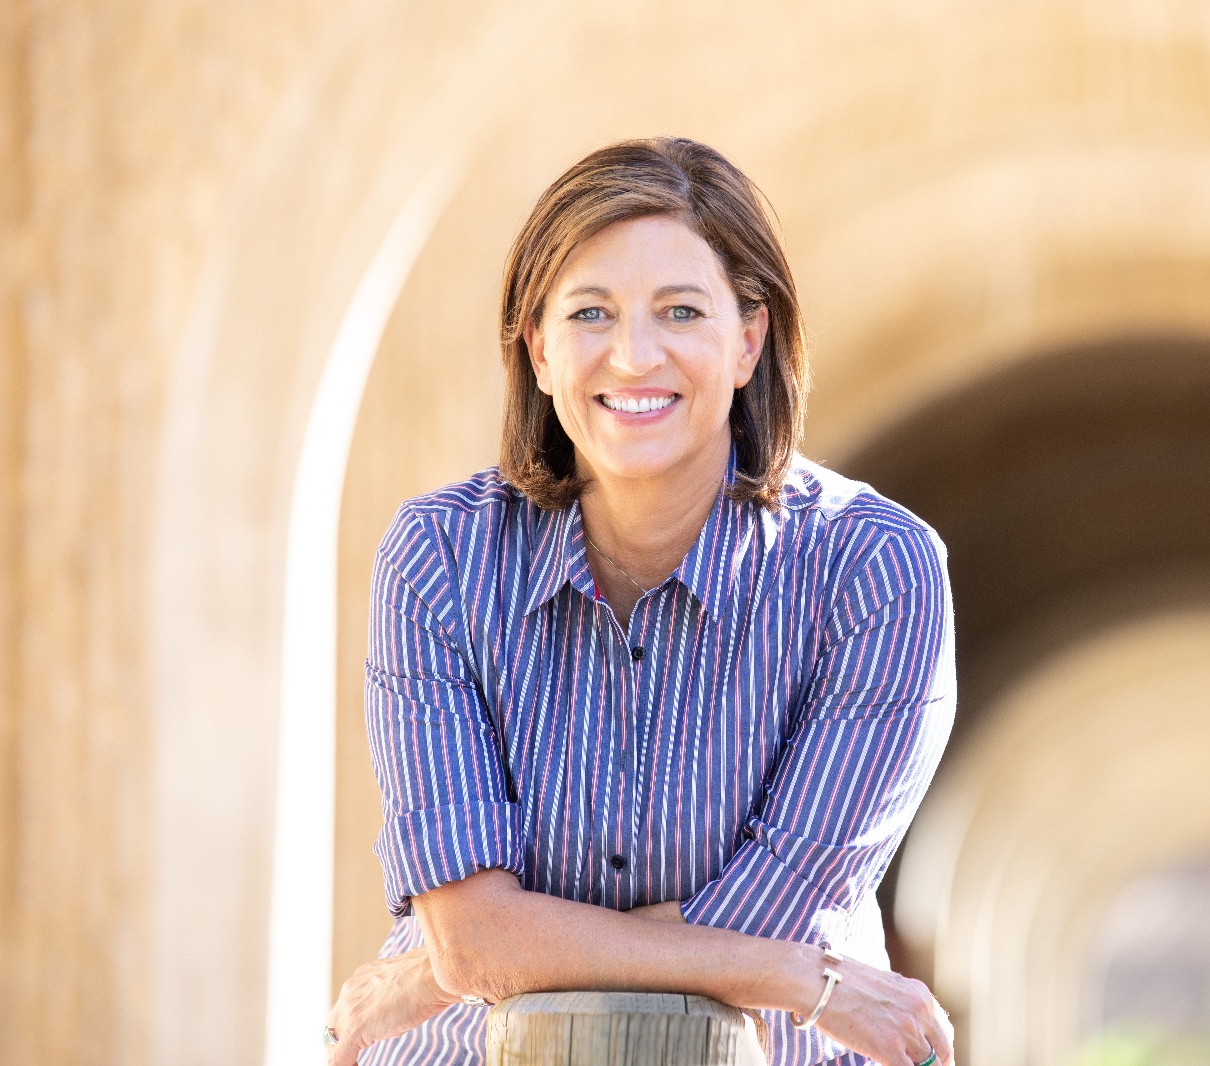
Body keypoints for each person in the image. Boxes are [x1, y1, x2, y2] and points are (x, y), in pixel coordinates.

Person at [324, 137, 957, 1066]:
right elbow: (481, 938)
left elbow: (768, 909)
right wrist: (793, 978)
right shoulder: (439, 560)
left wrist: (450, 965)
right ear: (537, 350)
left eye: (680, 310)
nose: (632, 355)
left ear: (749, 340)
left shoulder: (876, 572)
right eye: (590, 313)